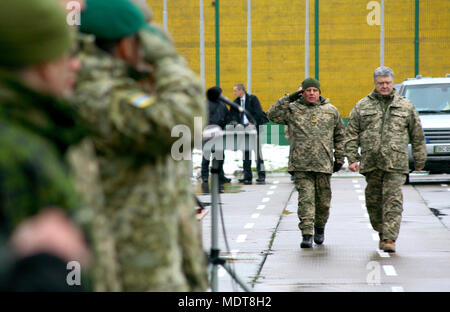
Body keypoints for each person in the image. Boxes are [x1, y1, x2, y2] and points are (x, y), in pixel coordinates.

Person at [72, 0, 208, 291]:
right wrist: (168, 59)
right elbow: (185, 123)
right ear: (124, 45)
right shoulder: (96, 94)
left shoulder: (124, 89)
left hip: (155, 271)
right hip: (127, 274)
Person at [0, 0, 91, 291]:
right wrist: (45, 266)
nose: (75, 65)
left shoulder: (39, 129)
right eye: (65, 55)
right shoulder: (15, 150)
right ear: (41, 64)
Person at [345, 66, 426, 253]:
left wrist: (420, 159)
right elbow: (351, 134)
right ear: (375, 83)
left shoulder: (405, 105)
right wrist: (352, 158)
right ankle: (381, 230)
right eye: (381, 83)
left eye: (388, 83)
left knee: (393, 200)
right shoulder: (363, 105)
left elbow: (417, 134)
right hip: (371, 162)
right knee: (373, 202)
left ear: (392, 83)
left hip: (396, 163)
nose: (384, 86)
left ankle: (389, 238)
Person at [267, 78, 345, 248]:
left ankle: (319, 228)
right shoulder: (294, 109)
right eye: (307, 90)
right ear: (303, 92)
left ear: (319, 92)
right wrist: (291, 97)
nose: (311, 93)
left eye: (314, 90)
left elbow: (340, 135)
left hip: (323, 164)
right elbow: (272, 114)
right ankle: (307, 233)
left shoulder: (330, 111)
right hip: (301, 164)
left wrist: (339, 158)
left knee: (323, 202)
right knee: (306, 199)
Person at [231, 83, 269, 184]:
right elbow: (233, 116)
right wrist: (237, 124)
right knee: (245, 153)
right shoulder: (235, 103)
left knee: (258, 153)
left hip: (253, 129)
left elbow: (258, 112)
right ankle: (247, 176)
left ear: (241, 90)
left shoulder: (252, 99)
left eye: (235, 91)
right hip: (242, 130)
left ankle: (261, 175)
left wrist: (252, 122)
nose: (234, 93)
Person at [201, 86, 232, 185]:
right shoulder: (205, 104)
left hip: (219, 133)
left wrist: (228, 122)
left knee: (220, 156)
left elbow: (228, 116)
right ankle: (205, 176)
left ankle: (220, 175)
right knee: (207, 155)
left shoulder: (222, 105)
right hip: (207, 133)